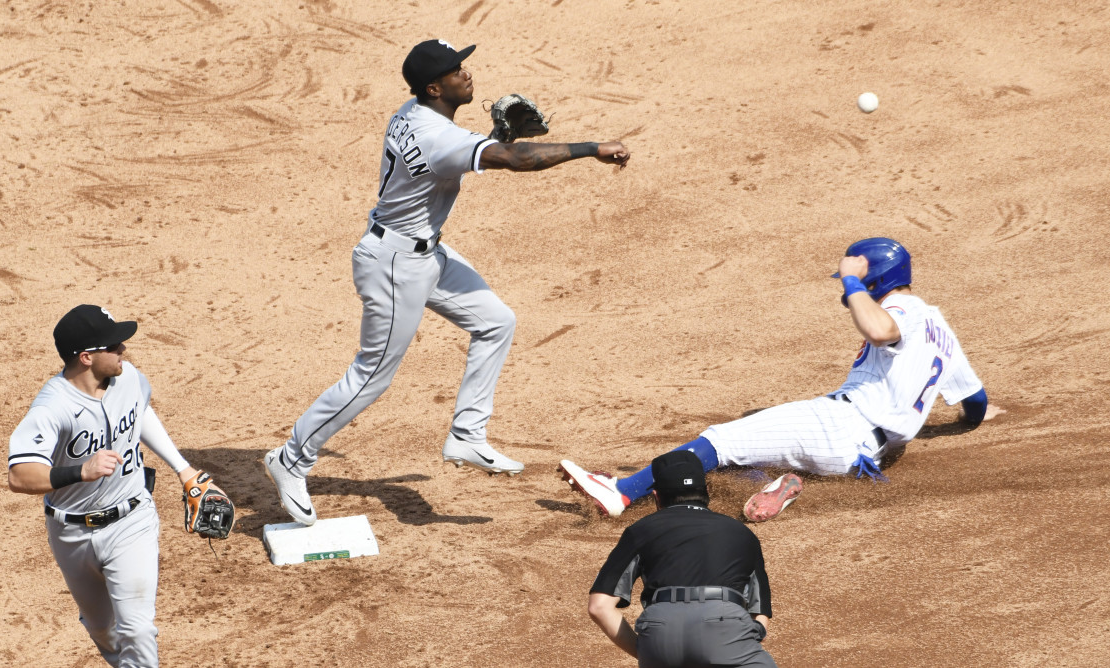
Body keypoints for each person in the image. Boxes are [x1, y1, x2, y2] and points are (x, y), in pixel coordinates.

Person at [264, 38, 631, 525]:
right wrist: (591, 149)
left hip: (422, 252)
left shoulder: (413, 113)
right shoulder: (438, 137)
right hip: (395, 266)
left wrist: (496, 141)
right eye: (456, 70)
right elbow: (516, 161)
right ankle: (291, 458)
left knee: (496, 321)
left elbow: (464, 152)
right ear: (434, 88)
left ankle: (467, 436)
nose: (467, 73)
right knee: (371, 376)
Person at [561, 237, 1004, 521]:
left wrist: (853, 282)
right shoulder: (941, 330)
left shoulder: (901, 310)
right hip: (868, 455)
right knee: (735, 462)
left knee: (717, 442)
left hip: (838, 425)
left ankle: (620, 492)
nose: (844, 289)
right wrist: (959, 421)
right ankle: (773, 486)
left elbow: (879, 329)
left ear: (875, 282)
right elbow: (976, 402)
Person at [8, 305, 214, 667]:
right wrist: (80, 472)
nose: (123, 350)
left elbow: (140, 411)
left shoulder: (129, 377)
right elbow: (20, 475)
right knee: (104, 630)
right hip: (70, 533)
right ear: (86, 357)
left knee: (137, 630)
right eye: (113, 346)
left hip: (131, 521)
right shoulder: (52, 407)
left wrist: (184, 469)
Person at [588, 450, 776, 668]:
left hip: (660, 632)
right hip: (725, 626)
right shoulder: (741, 533)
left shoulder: (640, 530)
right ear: (706, 491)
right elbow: (759, 612)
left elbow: (599, 607)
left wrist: (648, 652)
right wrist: (745, 635)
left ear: (657, 496)